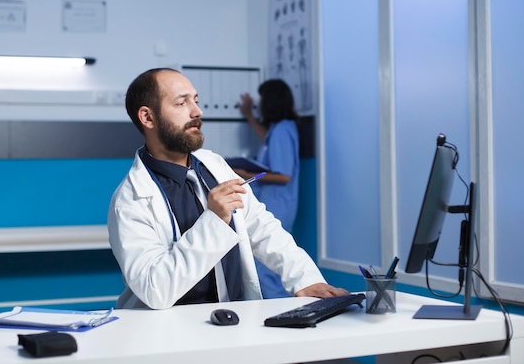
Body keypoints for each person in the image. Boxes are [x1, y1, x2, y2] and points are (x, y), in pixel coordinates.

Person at [107, 67, 349, 310]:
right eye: (181, 103)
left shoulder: (215, 166)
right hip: (168, 333)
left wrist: (305, 279)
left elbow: (262, 227)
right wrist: (214, 219)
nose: (197, 111)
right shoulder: (130, 201)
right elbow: (155, 290)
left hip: (232, 320)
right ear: (148, 118)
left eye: (196, 100)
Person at [236, 79, 299, 298]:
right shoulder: (280, 130)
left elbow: (283, 175)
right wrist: (250, 117)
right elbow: (268, 142)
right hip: (277, 205)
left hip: (277, 206)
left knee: (265, 269)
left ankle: (282, 316)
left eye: (261, 100)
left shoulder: (281, 131)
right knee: (267, 267)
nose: (259, 104)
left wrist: (246, 174)